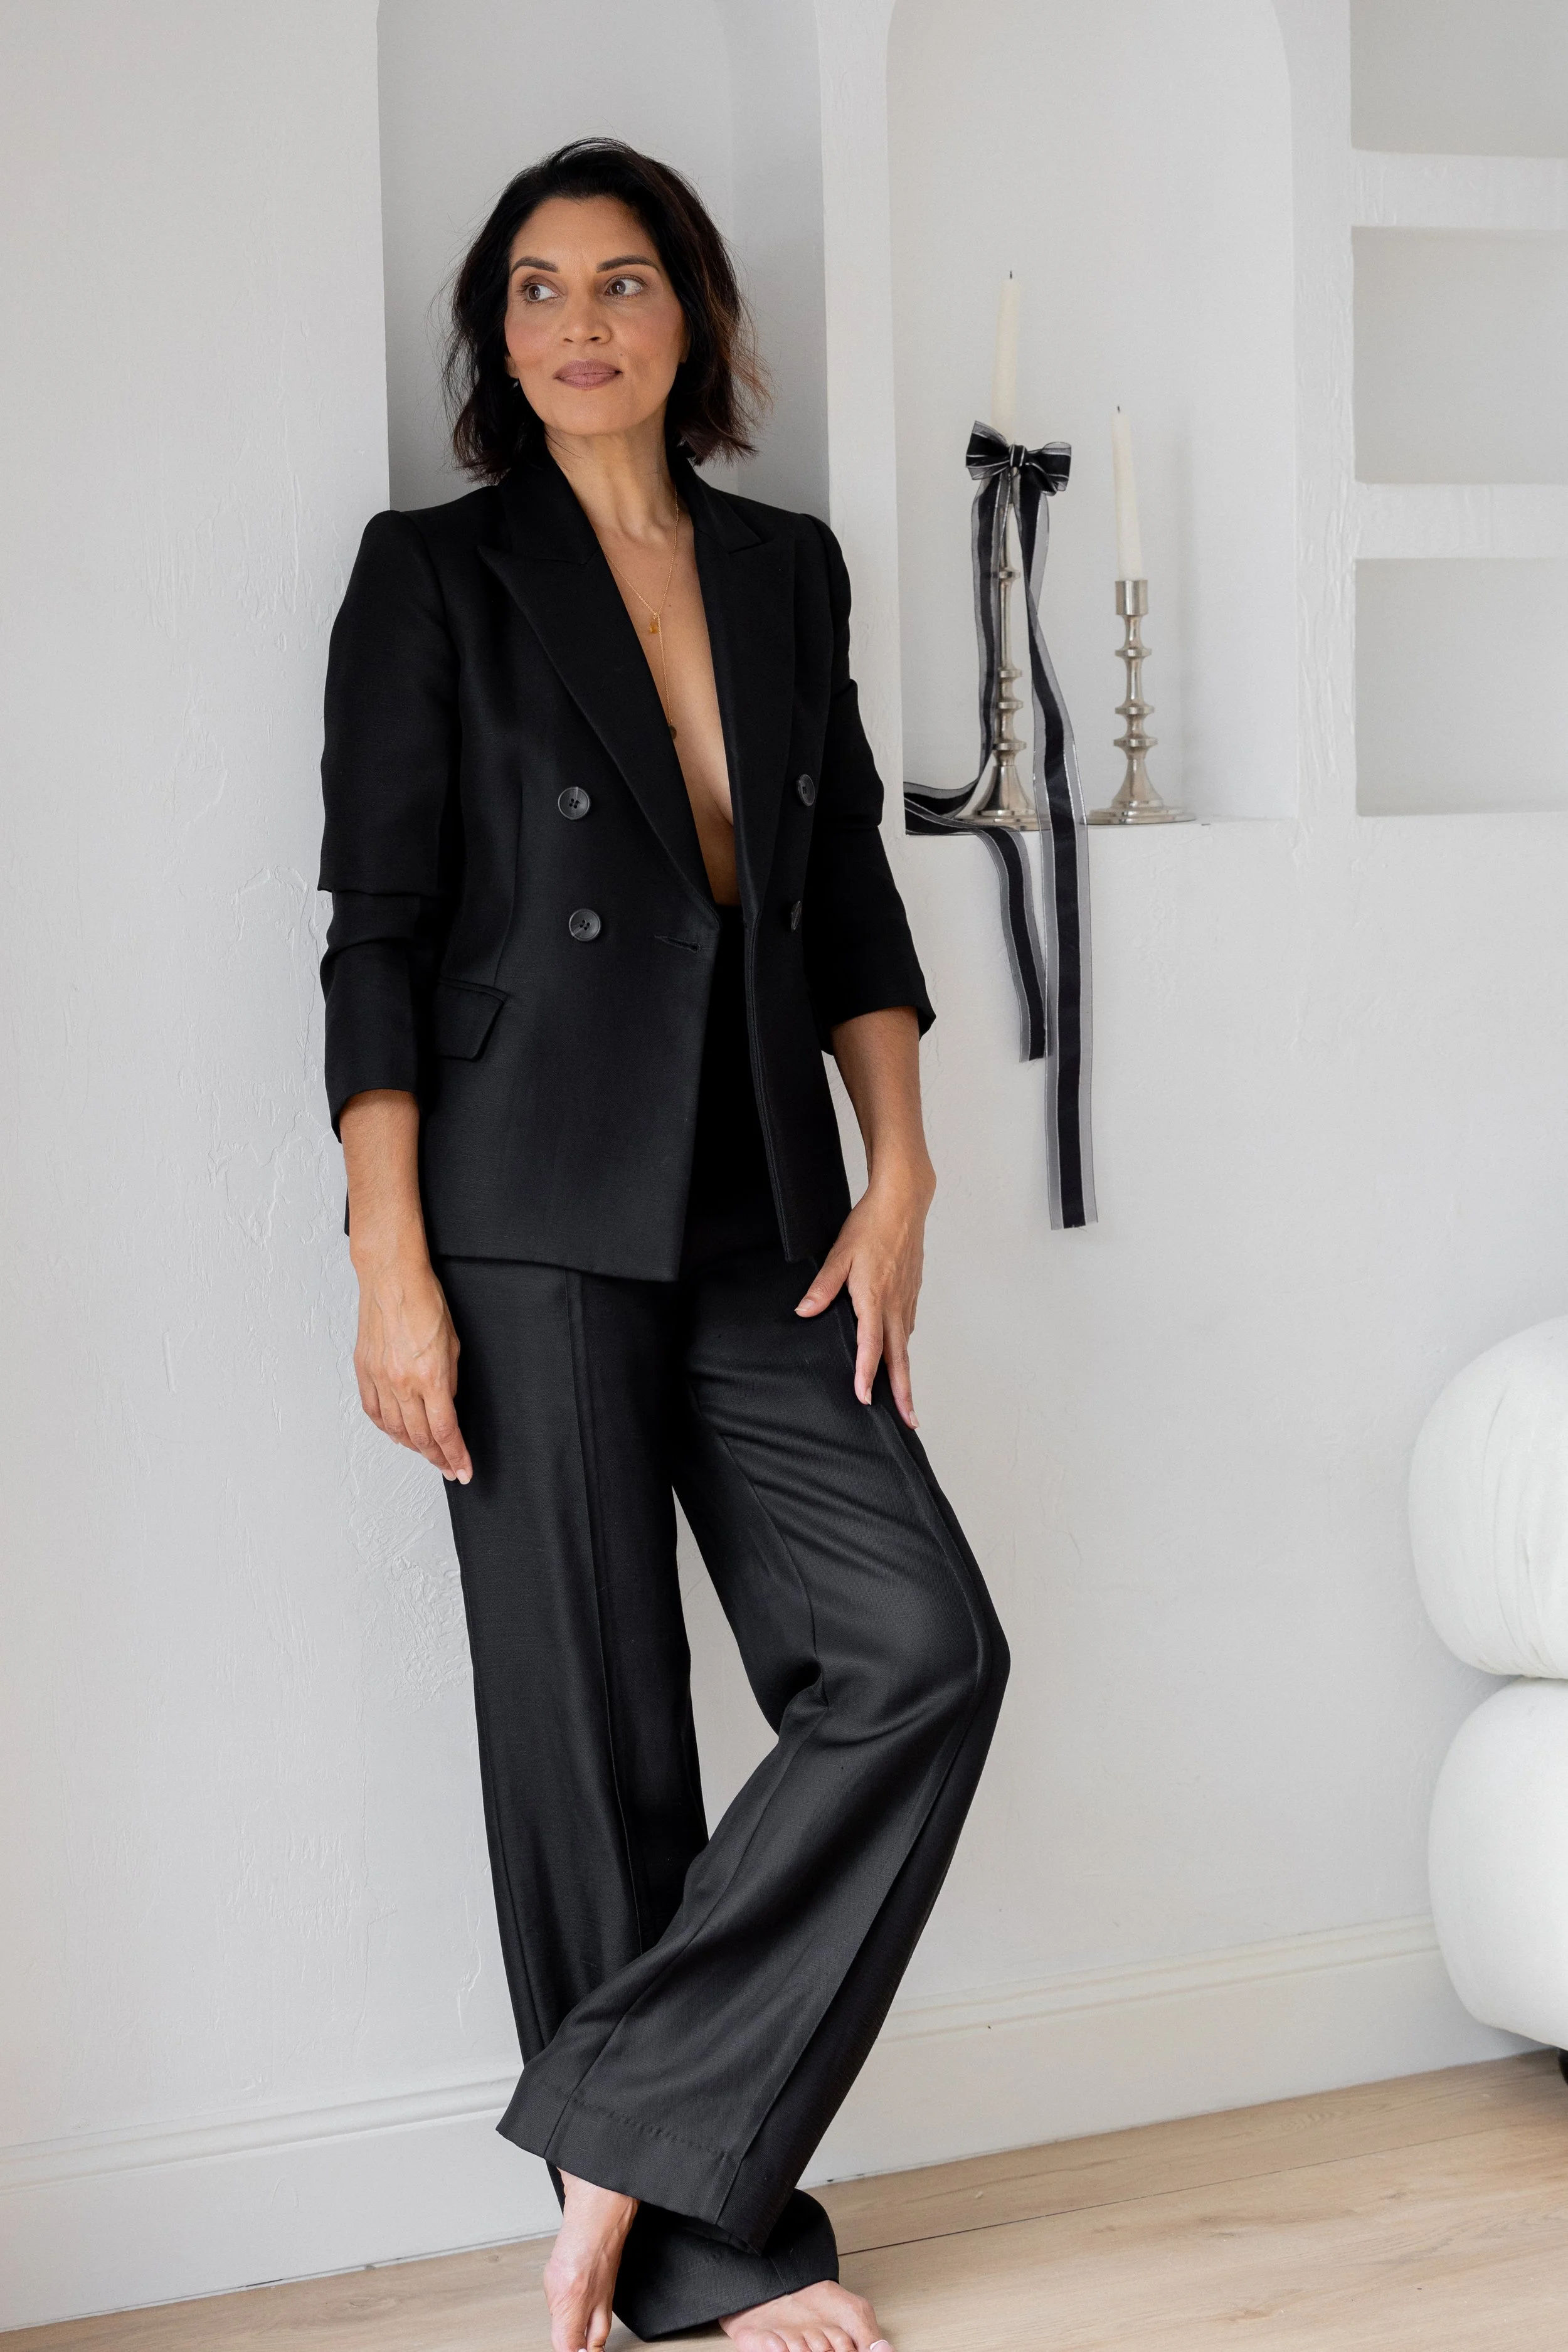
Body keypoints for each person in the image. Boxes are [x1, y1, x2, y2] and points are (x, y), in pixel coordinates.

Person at [316, 136, 1009, 2352]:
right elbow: (381, 942)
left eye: (623, 282)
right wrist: (385, 1257)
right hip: (519, 1212)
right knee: (592, 1723)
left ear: (692, 319)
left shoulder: (788, 572)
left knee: (914, 1646)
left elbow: (854, 908)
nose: (580, 322)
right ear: (495, 340)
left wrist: (897, 1168)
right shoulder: (433, 575)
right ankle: (714, 2247)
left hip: (760, 1204)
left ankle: (617, 2117)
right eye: (534, 289)